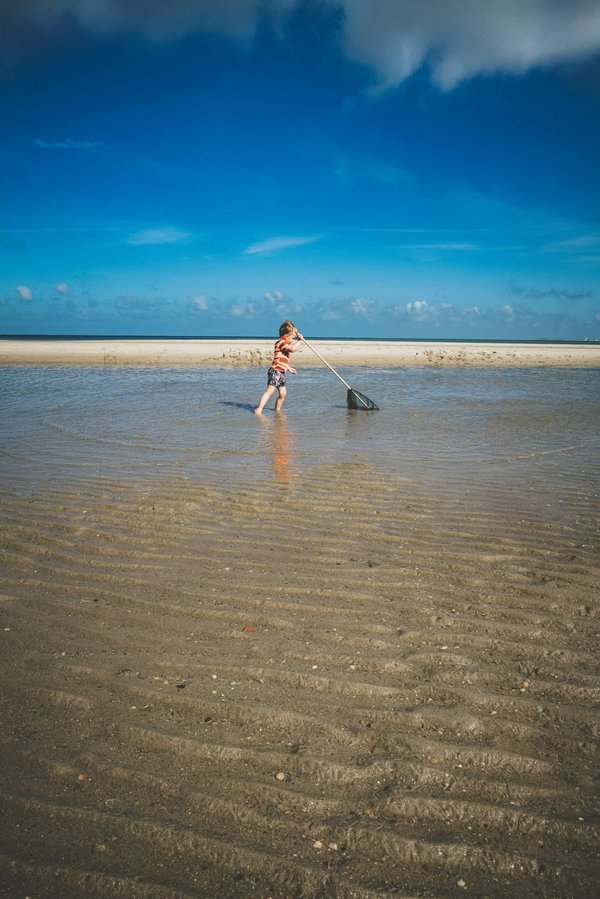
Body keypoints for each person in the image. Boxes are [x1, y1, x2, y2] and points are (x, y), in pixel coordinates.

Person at [254, 321, 303, 414]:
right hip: (275, 371)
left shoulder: (285, 345)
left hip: (281, 373)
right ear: (286, 336)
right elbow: (292, 349)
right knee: (270, 391)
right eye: (292, 338)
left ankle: (277, 410)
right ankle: (259, 409)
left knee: (283, 394)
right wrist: (299, 341)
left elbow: (281, 359)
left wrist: (288, 368)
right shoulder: (280, 343)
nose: (292, 340)